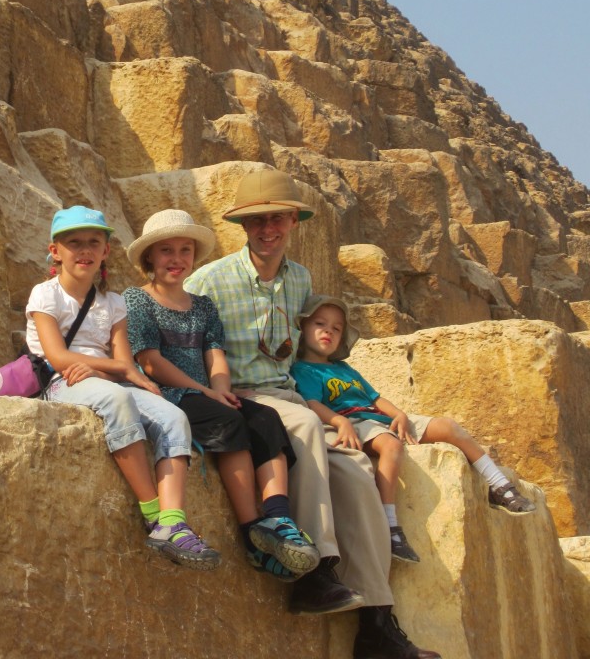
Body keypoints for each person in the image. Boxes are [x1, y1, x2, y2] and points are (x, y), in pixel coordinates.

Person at [185, 168, 441, 659]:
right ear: (243, 226)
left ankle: (377, 625)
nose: (268, 229)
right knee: (302, 425)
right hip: (243, 398)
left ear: (293, 222)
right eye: (257, 220)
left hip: (291, 397)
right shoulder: (209, 280)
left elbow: (310, 354)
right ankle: (314, 572)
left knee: (357, 473)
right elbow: (179, 334)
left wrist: (347, 410)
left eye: (277, 219)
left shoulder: (300, 280)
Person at [123, 208, 320, 582]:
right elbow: (150, 361)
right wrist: (206, 392)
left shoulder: (202, 305)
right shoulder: (137, 299)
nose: (177, 259)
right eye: (166, 251)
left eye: (185, 250)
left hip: (203, 393)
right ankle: (251, 532)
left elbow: (215, 355)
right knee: (227, 420)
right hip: (167, 393)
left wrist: (222, 390)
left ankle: (278, 518)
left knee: (264, 417)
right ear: (149, 257)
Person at [26, 204, 220, 570]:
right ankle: (153, 514)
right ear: (55, 251)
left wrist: (119, 373)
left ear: (105, 251)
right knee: (117, 399)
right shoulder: (45, 294)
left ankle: (174, 521)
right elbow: (58, 357)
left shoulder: (113, 303)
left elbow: (125, 362)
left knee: (173, 417)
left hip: (102, 380)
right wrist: (114, 368)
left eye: (93, 242)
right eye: (74, 243)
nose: (85, 250)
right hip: (64, 382)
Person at [292, 294, 536, 563]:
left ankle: (498, 484)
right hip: (355, 422)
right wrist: (340, 422)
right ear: (303, 327)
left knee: (448, 426)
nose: (328, 331)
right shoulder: (304, 370)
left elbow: (374, 398)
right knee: (391, 446)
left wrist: (399, 414)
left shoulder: (344, 369)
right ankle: (390, 526)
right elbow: (313, 403)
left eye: (337, 328)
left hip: (379, 418)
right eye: (320, 324)